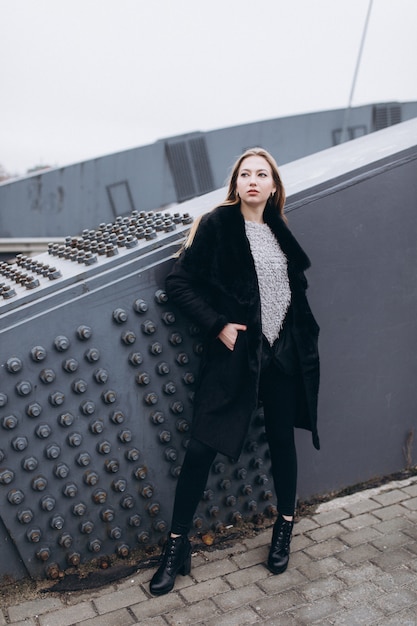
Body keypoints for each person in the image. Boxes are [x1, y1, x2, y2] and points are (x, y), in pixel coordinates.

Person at [149, 147, 320, 596]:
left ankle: (284, 526)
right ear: (236, 183)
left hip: (283, 355)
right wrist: (217, 324)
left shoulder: (280, 230)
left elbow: (290, 293)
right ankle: (176, 545)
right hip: (236, 358)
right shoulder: (218, 225)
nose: (252, 181)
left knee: (283, 441)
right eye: (245, 173)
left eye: (261, 174)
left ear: (273, 185)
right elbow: (178, 282)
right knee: (202, 448)